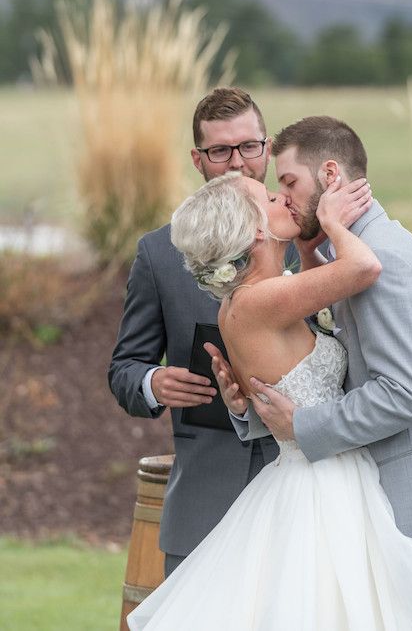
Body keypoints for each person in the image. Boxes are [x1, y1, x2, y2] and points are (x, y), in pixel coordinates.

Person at [127, 170, 412, 631]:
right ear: (256, 228)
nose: (283, 198)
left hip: (315, 471)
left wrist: (304, 250)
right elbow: (364, 268)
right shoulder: (262, 301)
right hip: (323, 486)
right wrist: (334, 223)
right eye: (270, 197)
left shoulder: (248, 301)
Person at [215, 116, 412, 631]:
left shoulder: (384, 264)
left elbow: (408, 394)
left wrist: (303, 426)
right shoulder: (341, 256)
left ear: (330, 175)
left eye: (289, 183)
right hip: (373, 503)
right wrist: (253, 408)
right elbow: (331, 378)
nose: (283, 198)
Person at [108, 87, 288, 576]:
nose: (238, 163)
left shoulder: (309, 241)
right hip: (203, 505)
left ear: (267, 148)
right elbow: (124, 369)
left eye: (249, 146)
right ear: (198, 159)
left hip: (301, 498)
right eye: (220, 151)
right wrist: (153, 383)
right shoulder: (159, 253)